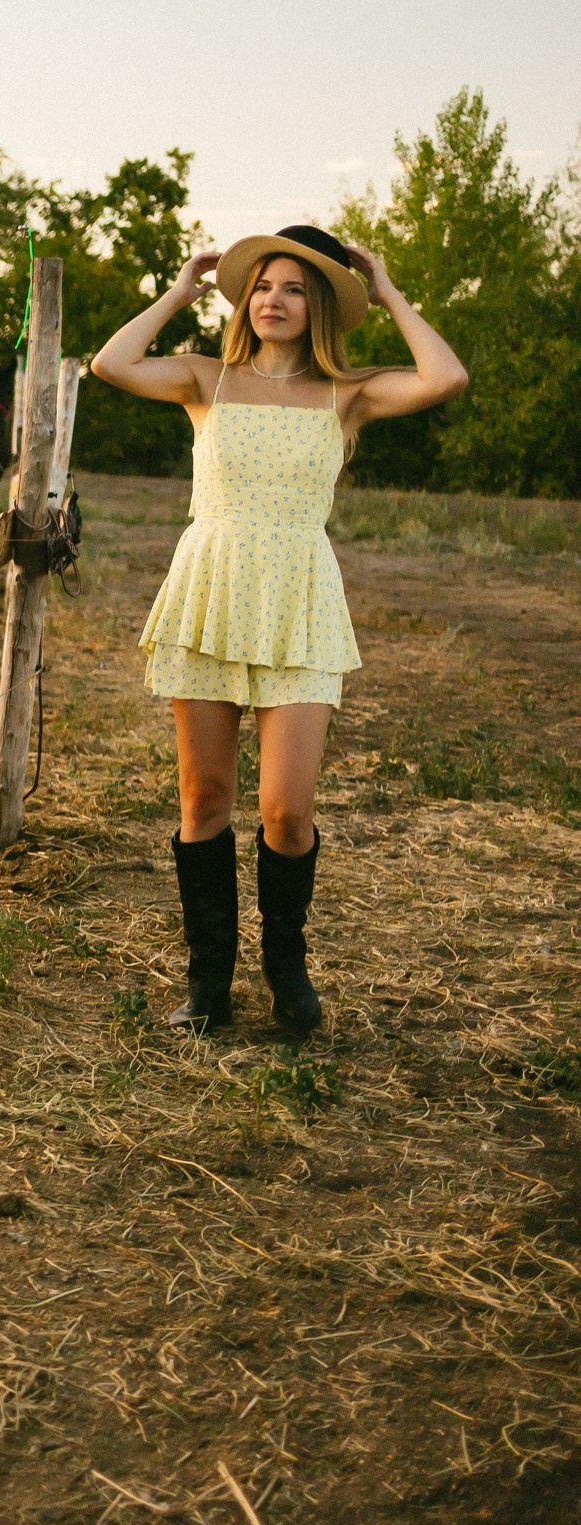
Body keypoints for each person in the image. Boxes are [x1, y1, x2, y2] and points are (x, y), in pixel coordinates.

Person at [91, 224, 466, 1036]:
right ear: (244, 301)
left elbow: (447, 377)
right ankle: (209, 982)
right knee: (204, 798)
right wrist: (179, 293)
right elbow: (111, 364)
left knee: (286, 812)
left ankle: (286, 969)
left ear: (318, 306)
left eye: (295, 288)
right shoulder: (207, 379)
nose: (274, 300)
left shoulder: (347, 393)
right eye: (262, 285)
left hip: (300, 600)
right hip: (213, 591)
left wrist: (389, 292)